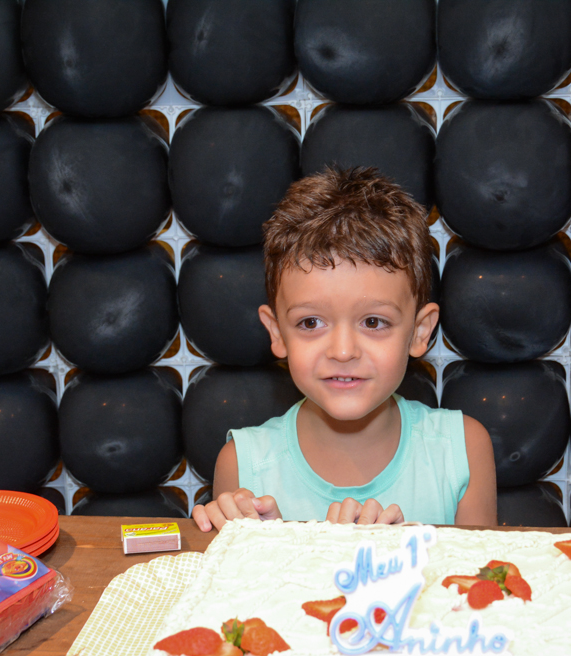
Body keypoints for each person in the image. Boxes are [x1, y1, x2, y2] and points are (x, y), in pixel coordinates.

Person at [192, 167, 496, 531]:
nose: (342, 351)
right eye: (310, 323)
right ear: (277, 333)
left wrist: (400, 555)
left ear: (419, 332)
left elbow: (479, 567)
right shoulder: (243, 465)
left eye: (373, 322)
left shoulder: (462, 450)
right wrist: (268, 545)